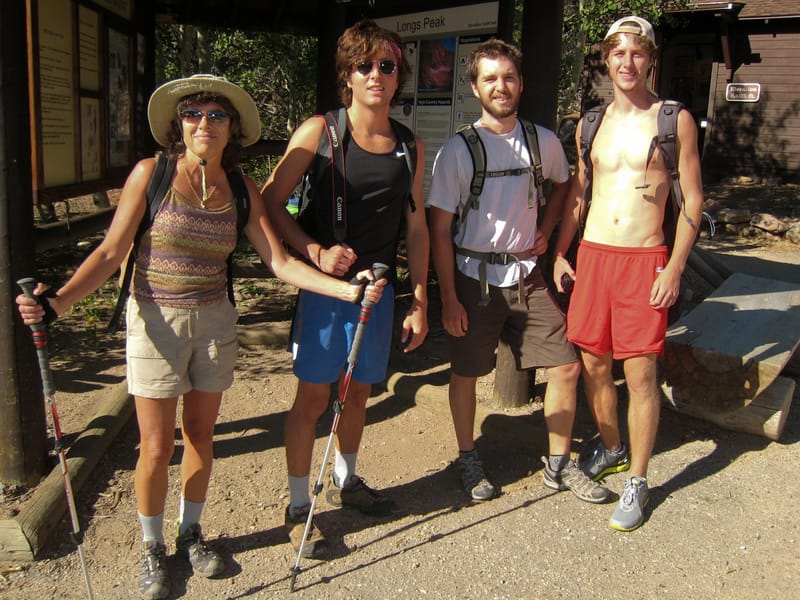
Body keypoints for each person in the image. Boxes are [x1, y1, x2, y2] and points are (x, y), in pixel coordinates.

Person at [16, 74, 385, 600]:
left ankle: (191, 533)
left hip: (214, 319)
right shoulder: (153, 174)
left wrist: (346, 292)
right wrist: (57, 304)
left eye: (216, 115)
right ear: (178, 125)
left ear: (231, 128)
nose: (204, 123)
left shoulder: (240, 187)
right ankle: (151, 546)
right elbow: (109, 254)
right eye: (194, 114)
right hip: (156, 321)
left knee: (201, 436)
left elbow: (279, 261)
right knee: (154, 446)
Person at [261, 20, 429, 558]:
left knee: (358, 392)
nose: (377, 75)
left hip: (378, 294)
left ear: (398, 75)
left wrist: (420, 298)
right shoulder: (321, 132)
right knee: (314, 396)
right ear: (348, 75)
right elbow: (267, 203)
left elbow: (418, 226)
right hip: (327, 292)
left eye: (387, 66)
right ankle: (295, 506)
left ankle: (347, 481)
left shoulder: (409, 145)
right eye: (366, 66)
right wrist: (313, 252)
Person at [427, 39, 608, 505]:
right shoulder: (457, 151)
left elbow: (565, 184)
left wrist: (547, 229)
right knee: (467, 373)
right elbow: (439, 230)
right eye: (490, 78)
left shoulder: (541, 141)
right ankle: (468, 456)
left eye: (508, 77)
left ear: (521, 83)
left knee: (566, 365)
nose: (500, 86)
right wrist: (447, 298)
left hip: (527, 275)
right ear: (474, 87)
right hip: (474, 277)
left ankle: (559, 464)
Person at [552, 16, 704, 531]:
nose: (627, 62)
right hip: (594, 256)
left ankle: (637, 479)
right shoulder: (589, 122)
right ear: (608, 59)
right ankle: (613, 446)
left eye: (637, 53)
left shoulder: (673, 119)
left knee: (640, 375)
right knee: (595, 366)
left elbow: (694, 199)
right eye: (618, 53)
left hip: (644, 260)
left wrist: (675, 267)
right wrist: (560, 251)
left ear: (651, 59)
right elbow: (578, 193)